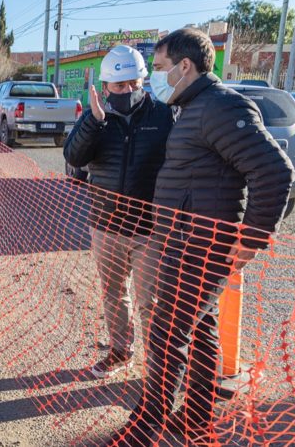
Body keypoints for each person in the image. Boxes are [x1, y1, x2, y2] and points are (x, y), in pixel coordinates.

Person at [110, 28, 295, 446]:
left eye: (159, 69)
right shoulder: (193, 107)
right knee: (202, 328)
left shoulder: (219, 107)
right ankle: (195, 418)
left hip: (200, 246)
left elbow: (275, 172)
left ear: (185, 66)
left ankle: (145, 427)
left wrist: (250, 240)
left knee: (166, 333)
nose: (156, 78)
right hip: (184, 241)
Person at [63, 45, 174, 378]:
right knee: (113, 294)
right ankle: (120, 351)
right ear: (106, 86)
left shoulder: (163, 115)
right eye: (120, 85)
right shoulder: (96, 116)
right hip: (106, 225)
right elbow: (74, 157)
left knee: (151, 302)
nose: (128, 91)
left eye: (134, 83)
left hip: (150, 230)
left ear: (142, 80)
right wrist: (94, 121)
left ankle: (158, 365)